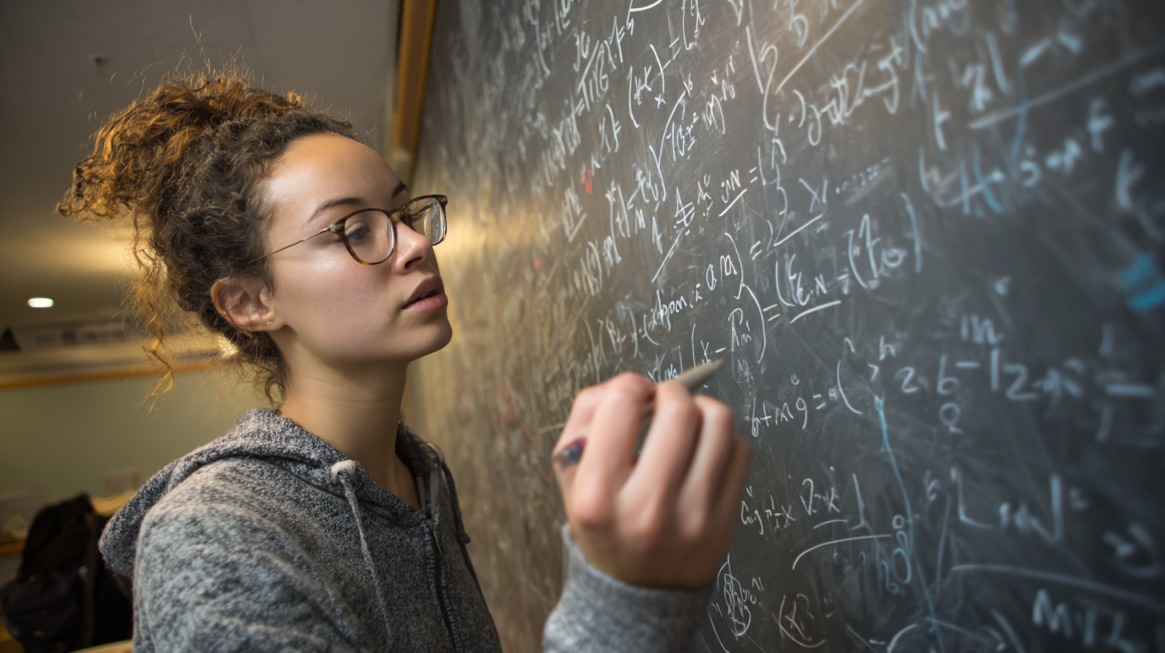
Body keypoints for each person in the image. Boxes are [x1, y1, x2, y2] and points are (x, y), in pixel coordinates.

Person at [59, 71, 753, 652]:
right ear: (249, 301)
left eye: (405, 214)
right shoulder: (216, 536)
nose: (415, 246)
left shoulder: (415, 475)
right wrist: (620, 601)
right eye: (354, 230)